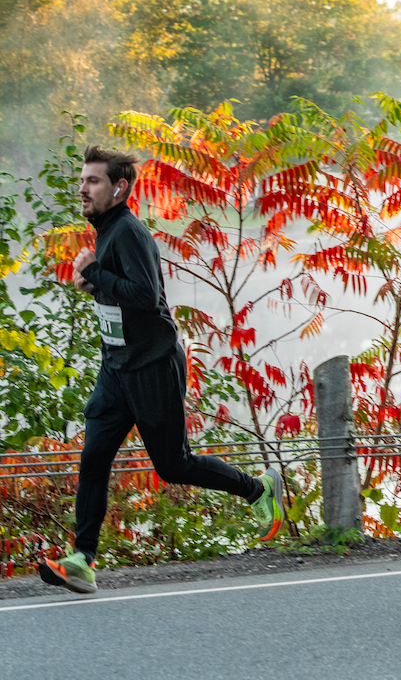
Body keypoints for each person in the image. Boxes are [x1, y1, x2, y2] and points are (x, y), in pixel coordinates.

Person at [38, 147, 285, 594]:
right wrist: (95, 283)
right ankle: (82, 560)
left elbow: (147, 296)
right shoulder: (108, 231)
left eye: (92, 181)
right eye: (82, 180)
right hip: (116, 368)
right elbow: (122, 297)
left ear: (119, 188)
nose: (82, 188)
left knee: (173, 465)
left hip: (152, 367)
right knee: (93, 459)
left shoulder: (128, 231)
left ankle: (257, 488)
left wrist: (97, 271)